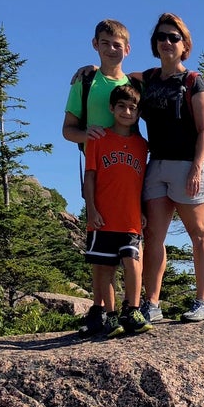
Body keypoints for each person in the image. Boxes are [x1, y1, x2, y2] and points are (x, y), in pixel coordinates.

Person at [136, 13, 204, 323]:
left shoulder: (194, 83)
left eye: (173, 37)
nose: (167, 42)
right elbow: (116, 76)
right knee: (153, 235)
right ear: (155, 44)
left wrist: (197, 167)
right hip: (156, 164)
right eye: (161, 37)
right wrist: (88, 72)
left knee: (198, 233)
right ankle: (152, 304)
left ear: (185, 45)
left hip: (188, 165)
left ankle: (202, 302)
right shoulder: (148, 79)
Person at [62, 19, 133, 335]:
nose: (111, 49)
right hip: (96, 170)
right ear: (95, 45)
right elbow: (67, 130)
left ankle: (117, 312)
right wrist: (83, 135)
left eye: (117, 44)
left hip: (125, 171)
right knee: (100, 243)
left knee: (125, 245)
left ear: (126, 49)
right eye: (105, 43)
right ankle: (100, 311)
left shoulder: (134, 84)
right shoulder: (85, 83)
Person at [80, 84, 153, 337]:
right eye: (121, 106)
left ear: (138, 113)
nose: (127, 111)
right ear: (111, 108)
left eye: (133, 107)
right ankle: (110, 316)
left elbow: (142, 183)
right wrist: (91, 209)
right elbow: (89, 177)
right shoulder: (98, 140)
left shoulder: (142, 146)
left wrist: (143, 210)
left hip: (131, 218)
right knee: (105, 270)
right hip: (103, 219)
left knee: (133, 264)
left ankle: (132, 309)